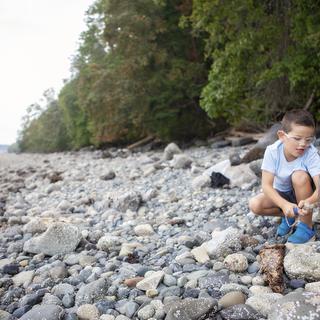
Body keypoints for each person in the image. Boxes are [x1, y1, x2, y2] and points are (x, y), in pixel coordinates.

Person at [249, 109, 320, 244]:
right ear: (282, 136)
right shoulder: (273, 151)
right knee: (255, 204)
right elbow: (266, 185)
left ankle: (306, 226)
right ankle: (290, 216)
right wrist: (285, 205)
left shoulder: (310, 153)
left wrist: (310, 200)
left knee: (299, 176)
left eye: (308, 140)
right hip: (283, 194)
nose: (303, 144)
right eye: (297, 138)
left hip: (304, 193)